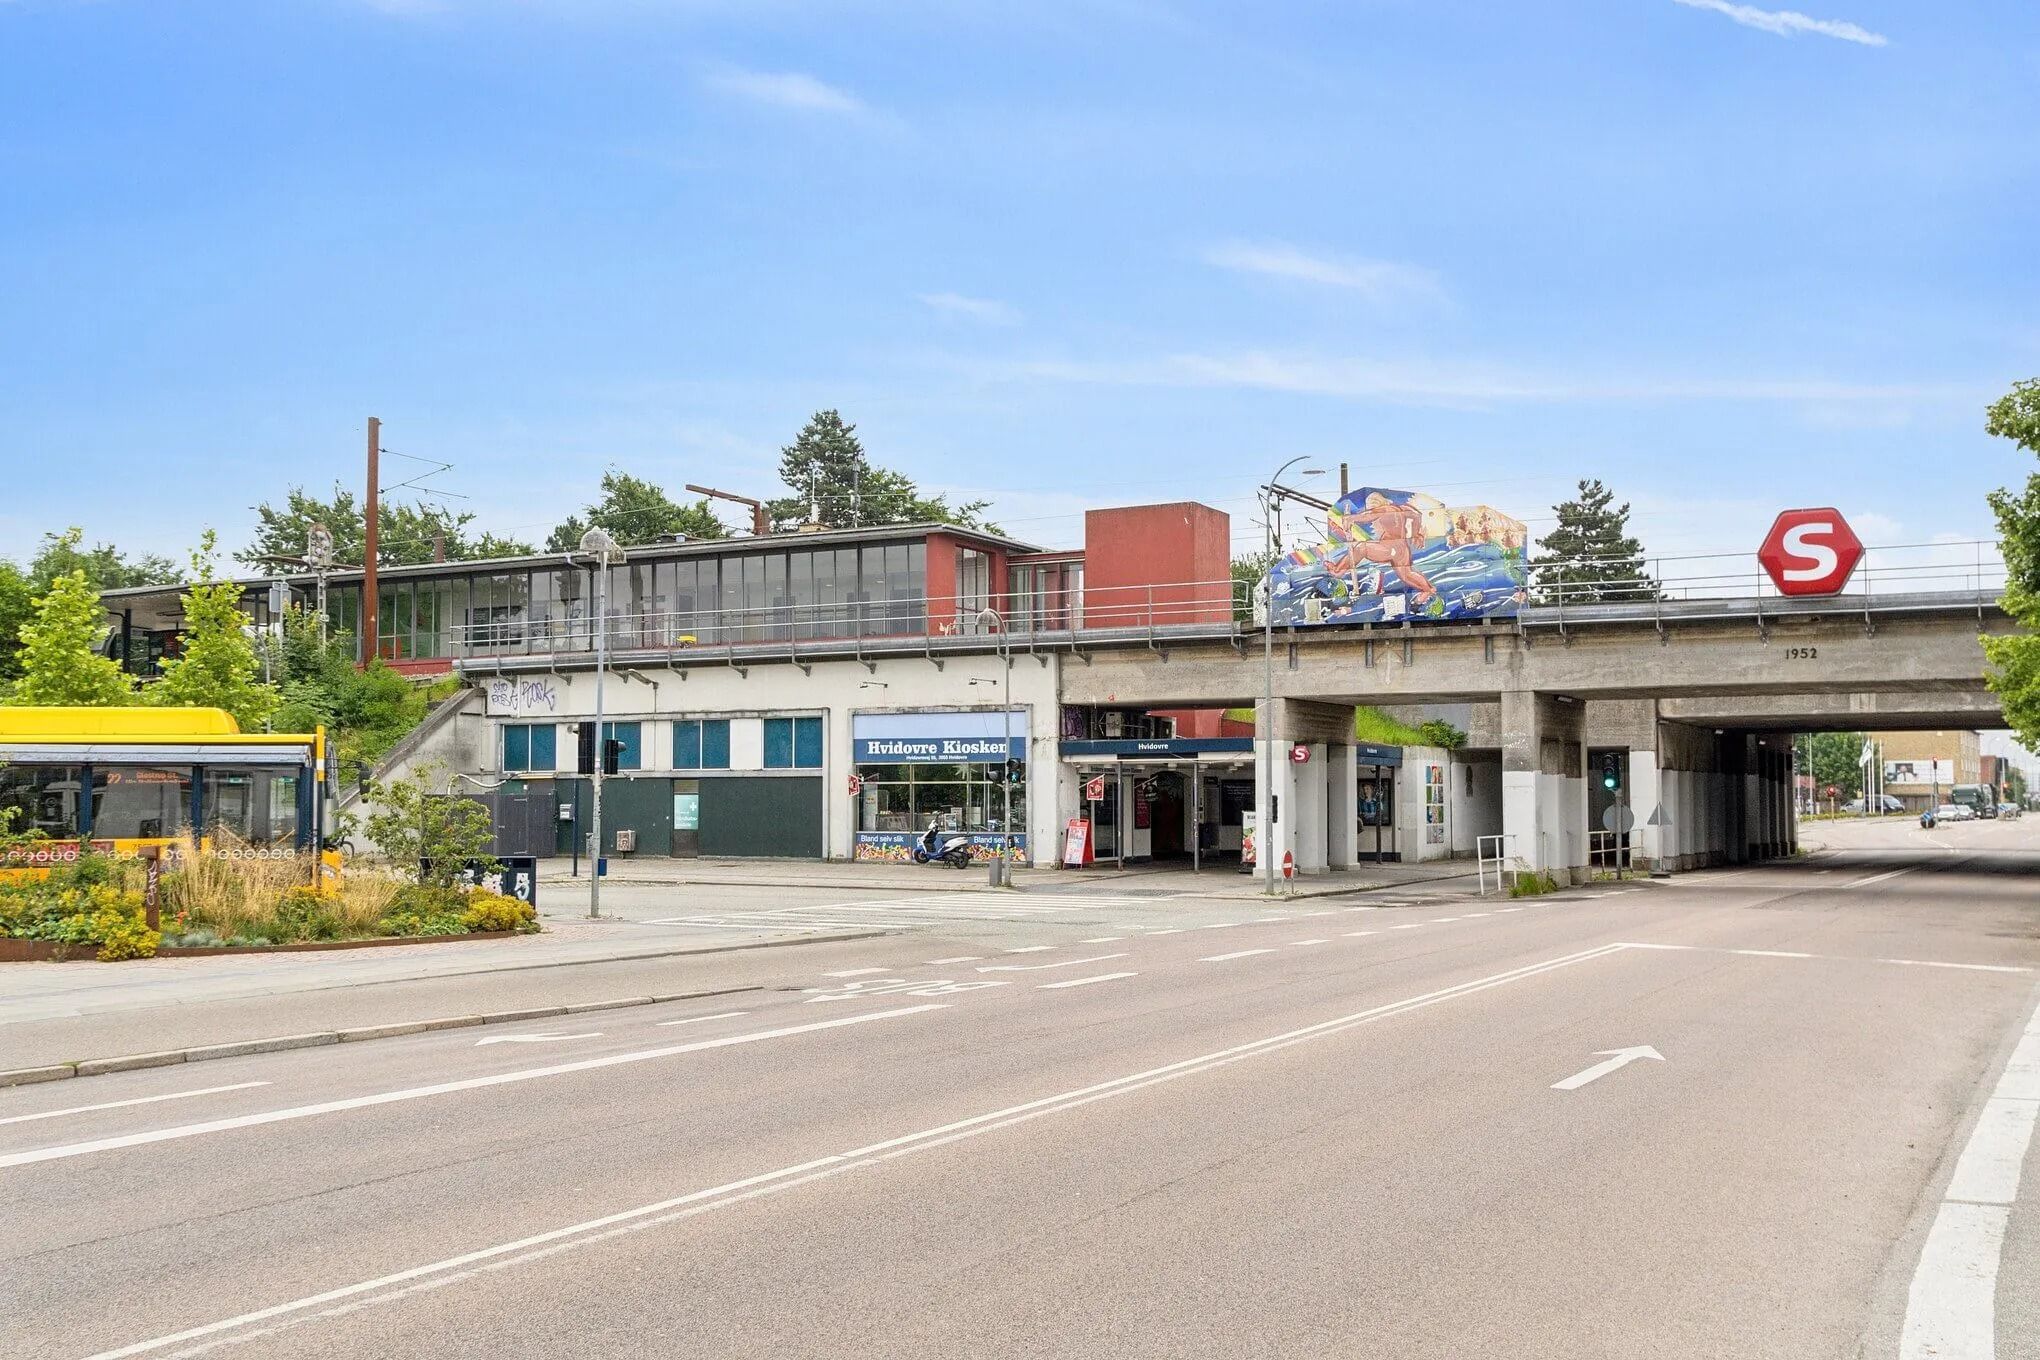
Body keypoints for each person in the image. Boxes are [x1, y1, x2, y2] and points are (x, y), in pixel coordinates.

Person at [1329, 493, 1440, 604]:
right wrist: (1416, 533)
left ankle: (1338, 570)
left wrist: (1351, 518)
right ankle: (1428, 589)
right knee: (1407, 574)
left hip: (1390, 548)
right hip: (1402, 549)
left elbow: (1368, 515)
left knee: (1362, 548)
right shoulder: (1401, 508)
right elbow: (1416, 515)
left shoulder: (1384, 509)